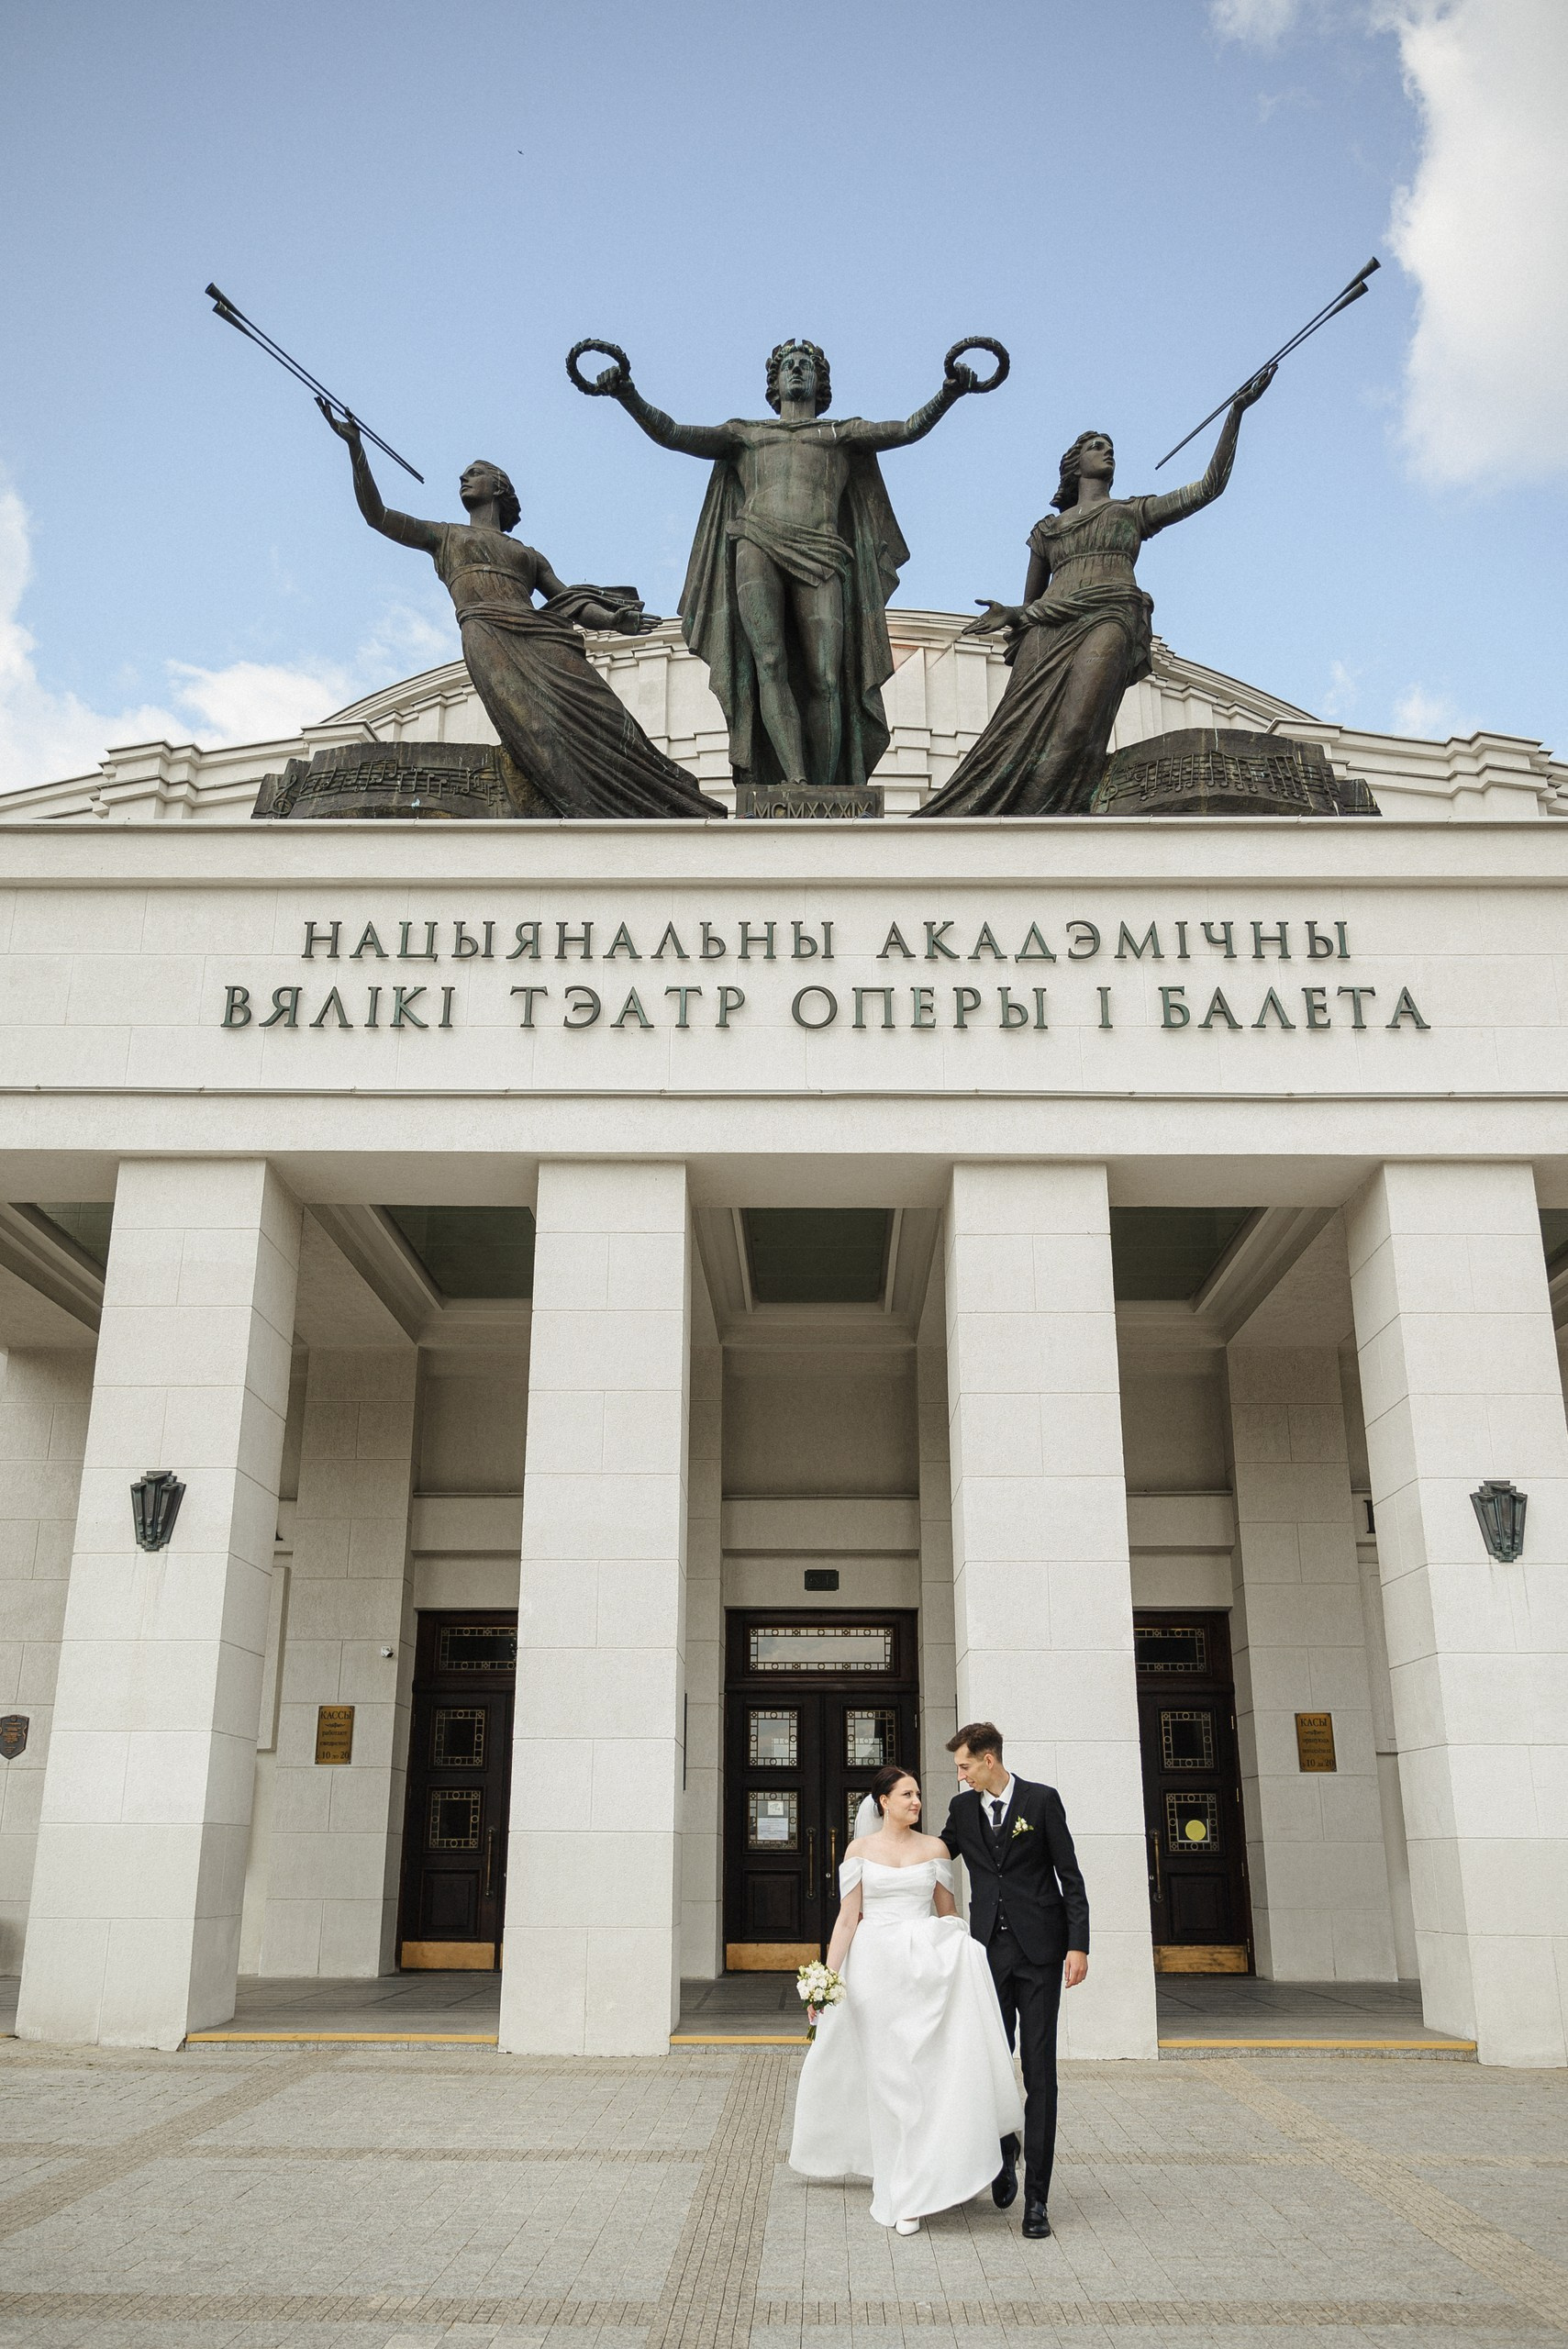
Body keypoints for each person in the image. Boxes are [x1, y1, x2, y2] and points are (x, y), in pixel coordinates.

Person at [578, 339, 984, 794]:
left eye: (805, 365)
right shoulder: (746, 434)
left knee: (826, 678)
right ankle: (794, 779)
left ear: (819, 380)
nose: (796, 370)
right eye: (787, 366)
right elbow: (673, 433)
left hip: (823, 551)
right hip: (756, 543)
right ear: (774, 383)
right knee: (769, 662)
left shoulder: (841, 434)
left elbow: (907, 429)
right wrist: (626, 394)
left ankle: (829, 788)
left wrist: (949, 393)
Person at [317, 403, 722, 819]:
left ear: (498, 487)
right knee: (536, 729)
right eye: (465, 473)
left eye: (475, 472)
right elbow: (378, 516)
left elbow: (569, 602)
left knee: (606, 714)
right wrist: (356, 450)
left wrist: (613, 620)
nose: (463, 477)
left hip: (541, 636)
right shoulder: (445, 536)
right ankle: (584, 805)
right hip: (488, 634)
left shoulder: (527, 554)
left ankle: (664, 799)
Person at [916, 367, 1275, 817]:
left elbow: (1208, 488)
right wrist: (1009, 613)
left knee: (1076, 728)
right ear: (1075, 463)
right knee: (1013, 731)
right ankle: (992, 825)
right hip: (1047, 629)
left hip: (1110, 615)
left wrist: (1236, 413)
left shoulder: (1132, 512)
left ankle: (1042, 822)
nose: (1107, 453)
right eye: (1096, 447)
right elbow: (1031, 603)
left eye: (1110, 448)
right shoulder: (1047, 530)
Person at [788, 1764, 1022, 2234]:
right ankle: (901, 2184)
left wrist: (961, 1950)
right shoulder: (858, 1851)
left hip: (926, 1969)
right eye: (907, 1794)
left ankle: (923, 2182)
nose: (916, 1802)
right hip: (875, 1970)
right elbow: (847, 1920)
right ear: (883, 1802)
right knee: (889, 2077)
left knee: (922, 2075)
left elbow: (948, 1912)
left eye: (917, 1794)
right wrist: (827, 1981)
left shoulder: (935, 1849)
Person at [939, 1722, 1089, 2239]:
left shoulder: (1043, 1801)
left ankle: (1038, 2200)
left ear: (988, 1759)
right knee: (992, 2064)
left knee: (1039, 2070)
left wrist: (1078, 1944)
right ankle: (1005, 2154)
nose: (960, 1777)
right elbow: (936, 1859)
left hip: (1043, 1954)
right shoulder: (962, 1811)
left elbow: (1070, 1876)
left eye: (964, 1767)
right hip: (988, 1955)